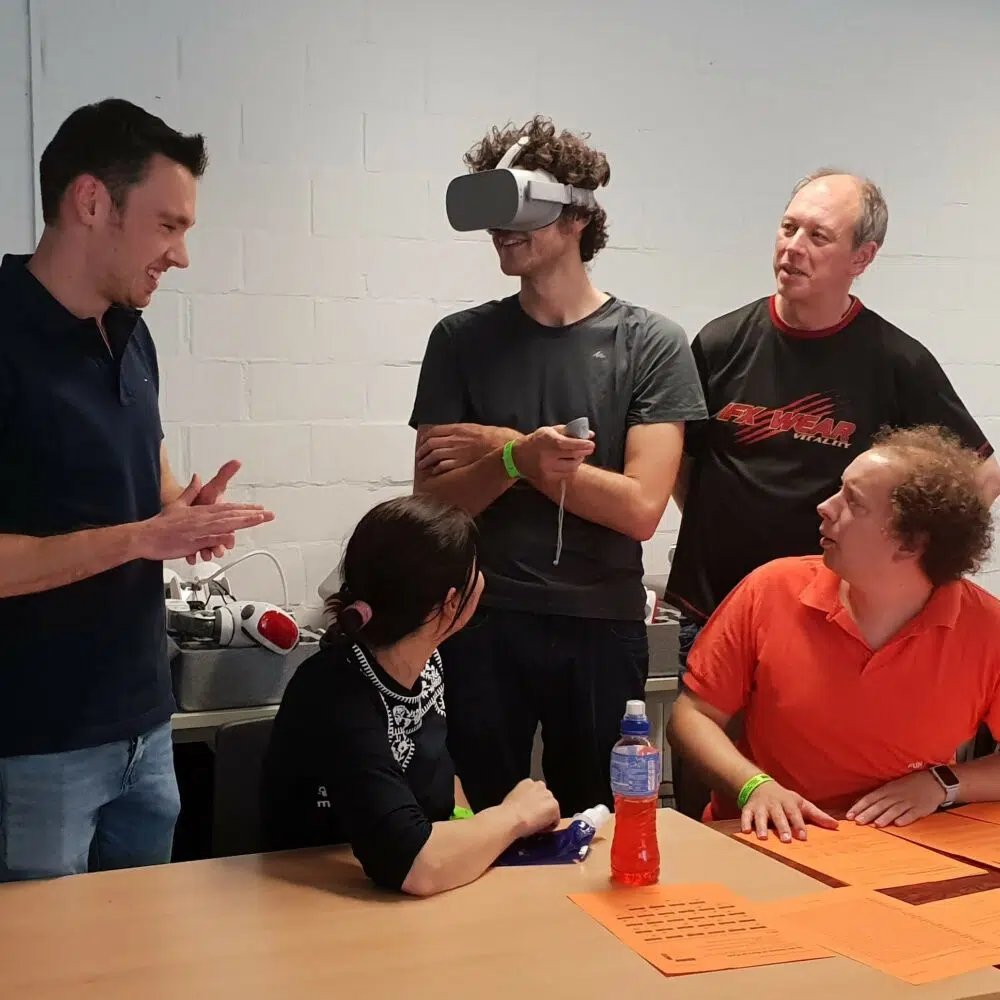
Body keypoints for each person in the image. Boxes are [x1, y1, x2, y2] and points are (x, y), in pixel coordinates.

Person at [666, 168, 1000, 818]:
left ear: (862, 258)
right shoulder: (722, 342)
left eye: (817, 236)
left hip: (833, 620)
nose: (792, 247)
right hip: (715, 603)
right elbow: (685, 465)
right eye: (788, 228)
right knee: (720, 801)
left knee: (828, 797)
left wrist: (904, 563)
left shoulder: (895, 361)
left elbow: (978, 475)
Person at [0, 99, 273, 882]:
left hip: (146, 727)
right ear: (92, 201)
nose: (180, 255)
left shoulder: (132, 331)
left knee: (144, 942)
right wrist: (145, 538)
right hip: (32, 744)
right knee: (40, 951)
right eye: (167, 226)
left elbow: (149, 489)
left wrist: (183, 514)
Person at [408, 116, 707, 817]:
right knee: (484, 818)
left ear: (576, 217)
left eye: (520, 211)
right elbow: (434, 505)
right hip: (480, 619)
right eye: (493, 215)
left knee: (601, 819)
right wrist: (519, 457)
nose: (501, 231)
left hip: (600, 626)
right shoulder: (460, 341)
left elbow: (640, 510)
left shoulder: (651, 344)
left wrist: (508, 451)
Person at [666, 426, 1000, 842]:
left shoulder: (987, 628)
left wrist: (943, 783)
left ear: (909, 544)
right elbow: (692, 716)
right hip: (768, 839)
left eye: (853, 502)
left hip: (902, 845)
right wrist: (755, 786)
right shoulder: (771, 589)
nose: (825, 507)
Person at [259, 494, 561, 896]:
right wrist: (514, 816)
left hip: (394, 896)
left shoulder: (428, 659)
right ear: (450, 603)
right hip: (316, 901)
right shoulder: (335, 690)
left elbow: (439, 775)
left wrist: (471, 833)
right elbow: (410, 863)